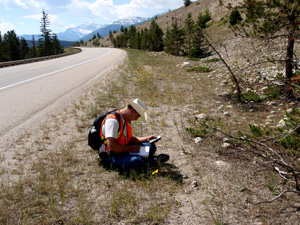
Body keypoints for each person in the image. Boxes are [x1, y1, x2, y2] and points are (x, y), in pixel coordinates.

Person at [99, 98, 169, 171]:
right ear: (131, 111)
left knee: (151, 146)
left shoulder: (125, 119)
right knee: (136, 161)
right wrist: (131, 149)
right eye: (137, 116)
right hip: (111, 155)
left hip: (123, 149)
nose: (136, 119)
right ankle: (152, 161)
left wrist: (146, 139)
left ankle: (150, 160)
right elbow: (112, 146)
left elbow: (127, 139)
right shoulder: (112, 121)